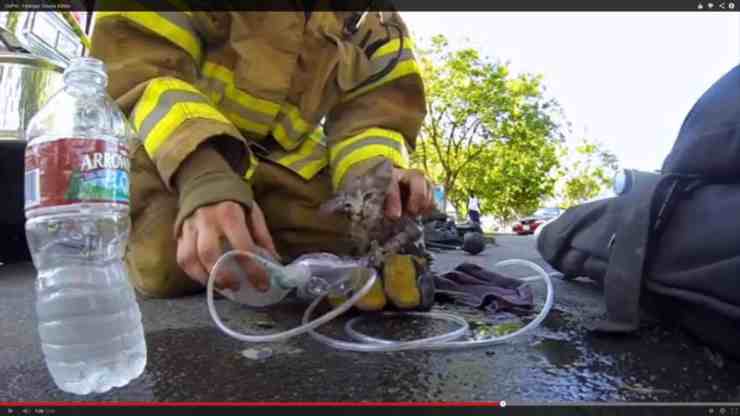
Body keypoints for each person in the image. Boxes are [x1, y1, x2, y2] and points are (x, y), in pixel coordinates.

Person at [90, 7, 435, 311]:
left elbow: (374, 118)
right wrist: (204, 179)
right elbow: (143, 69)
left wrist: (374, 185)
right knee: (170, 256)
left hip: (283, 163)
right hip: (172, 149)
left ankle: (261, 238)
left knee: (355, 239)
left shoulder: (375, 20)